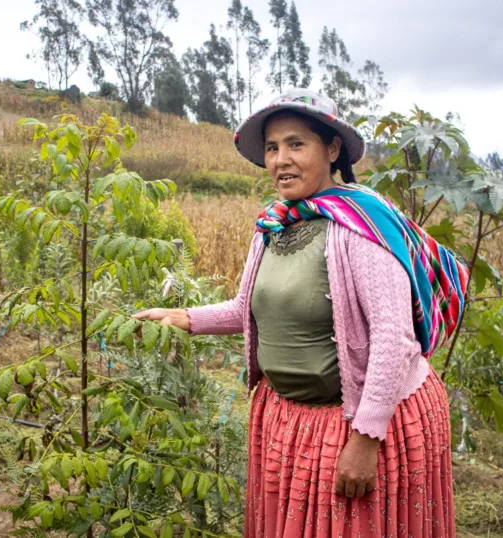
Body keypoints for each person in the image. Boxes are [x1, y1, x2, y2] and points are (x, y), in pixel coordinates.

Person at [135, 89, 462, 537]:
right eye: (272, 148)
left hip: (357, 422)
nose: (280, 160)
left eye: (296, 144)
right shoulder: (275, 225)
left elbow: (394, 338)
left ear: (331, 150)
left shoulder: (359, 228)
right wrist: (185, 318)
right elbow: (247, 308)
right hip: (291, 424)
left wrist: (366, 440)